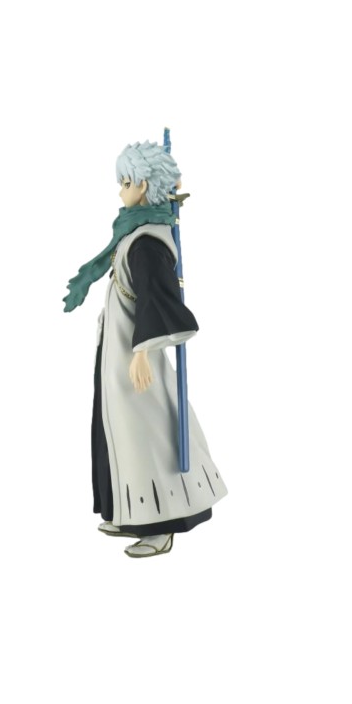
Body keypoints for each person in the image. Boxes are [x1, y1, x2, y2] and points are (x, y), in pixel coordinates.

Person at [63, 140, 227, 558]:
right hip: (118, 350)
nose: (120, 190)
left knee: (148, 435)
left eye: (125, 182)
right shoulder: (133, 233)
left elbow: (156, 298)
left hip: (137, 357)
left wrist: (142, 352)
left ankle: (162, 524)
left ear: (143, 185)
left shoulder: (148, 242)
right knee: (121, 433)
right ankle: (129, 511)